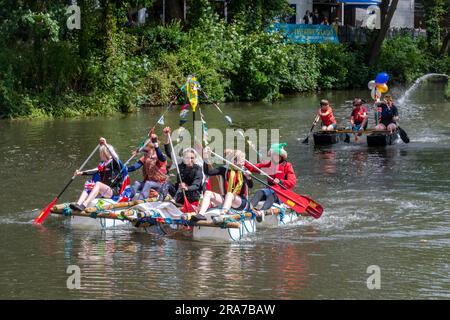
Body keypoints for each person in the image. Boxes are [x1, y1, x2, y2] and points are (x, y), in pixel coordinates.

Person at [245, 143, 297, 220]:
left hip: (281, 193)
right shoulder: (269, 164)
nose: (274, 157)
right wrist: (244, 163)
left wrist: (281, 181)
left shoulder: (287, 165)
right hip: (270, 190)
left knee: (272, 195)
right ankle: (247, 211)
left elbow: (292, 182)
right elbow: (253, 168)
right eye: (272, 155)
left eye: (276, 155)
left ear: (281, 156)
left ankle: (262, 212)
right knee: (259, 192)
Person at [70, 137, 123, 211]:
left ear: (105, 153)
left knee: (97, 183)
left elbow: (116, 156)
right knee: (89, 185)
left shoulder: (114, 162)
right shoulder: (102, 164)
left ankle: (84, 205)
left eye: (101, 153)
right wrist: (80, 173)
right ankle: (78, 204)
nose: (100, 155)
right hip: (103, 190)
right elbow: (93, 171)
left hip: (112, 191)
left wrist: (105, 144)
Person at [198, 149, 253, 216]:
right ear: (234, 161)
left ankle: (222, 214)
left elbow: (250, 186)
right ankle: (200, 214)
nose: (244, 162)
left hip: (240, 202)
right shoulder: (225, 169)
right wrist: (205, 158)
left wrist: (249, 178)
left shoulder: (244, 171)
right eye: (242, 160)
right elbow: (208, 172)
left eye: (244, 160)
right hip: (226, 199)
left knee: (230, 194)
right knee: (208, 193)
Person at [161, 127, 204, 207]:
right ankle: (160, 201)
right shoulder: (180, 163)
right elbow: (168, 151)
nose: (189, 160)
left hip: (192, 195)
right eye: (187, 158)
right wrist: (166, 136)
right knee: (166, 184)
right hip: (179, 194)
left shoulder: (198, 168)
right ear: (183, 158)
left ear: (195, 158)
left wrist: (187, 188)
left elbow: (196, 185)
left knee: (182, 185)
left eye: (192, 158)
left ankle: (174, 201)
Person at [127, 132, 167, 200]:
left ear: (151, 148)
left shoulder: (160, 157)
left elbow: (161, 156)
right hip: (148, 183)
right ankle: (127, 198)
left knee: (148, 183)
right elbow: (135, 167)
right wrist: (123, 168)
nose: (145, 150)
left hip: (160, 184)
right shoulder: (145, 157)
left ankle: (140, 201)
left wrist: (155, 144)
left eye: (146, 149)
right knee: (137, 183)